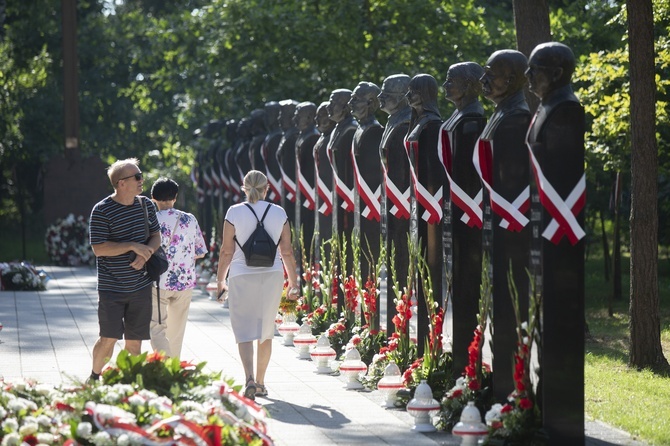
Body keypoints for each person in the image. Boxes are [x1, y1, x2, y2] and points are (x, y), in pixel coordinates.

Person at [216, 170, 299, 400]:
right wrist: (293, 283)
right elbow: (287, 251)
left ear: (244, 188)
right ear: (267, 189)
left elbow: (226, 251)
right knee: (265, 330)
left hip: (241, 275)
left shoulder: (234, 212)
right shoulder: (279, 212)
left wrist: (220, 280)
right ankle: (261, 383)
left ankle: (249, 378)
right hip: (271, 275)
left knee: (243, 329)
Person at [87, 158, 161, 383]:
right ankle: (94, 376)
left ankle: (129, 384)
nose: (142, 180)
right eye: (137, 177)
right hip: (112, 288)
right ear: (121, 183)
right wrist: (131, 245)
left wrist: (145, 251)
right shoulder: (101, 210)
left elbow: (156, 236)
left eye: (141, 175)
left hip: (141, 286)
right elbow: (99, 249)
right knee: (108, 338)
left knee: (135, 341)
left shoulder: (146, 205)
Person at [149, 177, 207, 359]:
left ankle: (163, 364)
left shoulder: (150, 220)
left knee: (156, 327)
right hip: (185, 281)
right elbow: (200, 251)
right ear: (175, 197)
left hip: (158, 281)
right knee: (177, 331)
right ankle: (174, 367)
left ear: (153, 198)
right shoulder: (189, 219)